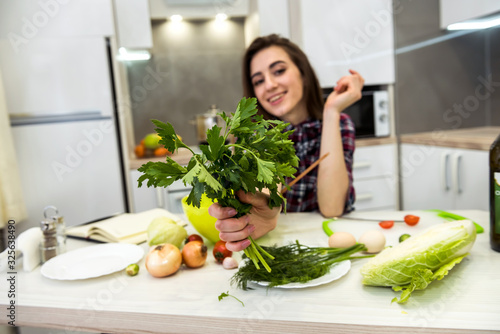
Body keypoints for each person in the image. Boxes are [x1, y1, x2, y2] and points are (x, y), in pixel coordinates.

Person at [208, 34, 364, 252]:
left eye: (279, 71)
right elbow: (262, 195)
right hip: (277, 241)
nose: (270, 85)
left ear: (303, 73)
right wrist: (266, 212)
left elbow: (332, 208)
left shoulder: (339, 124)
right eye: (258, 81)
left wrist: (331, 112)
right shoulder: (251, 136)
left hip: (328, 239)